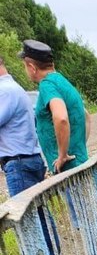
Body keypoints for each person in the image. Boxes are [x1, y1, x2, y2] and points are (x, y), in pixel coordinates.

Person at [19, 39, 90, 175]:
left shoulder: (47, 85)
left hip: (69, 171)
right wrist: (78, 148)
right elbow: (86, 116)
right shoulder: (62, 81)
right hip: (79, 163)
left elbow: (61, 117)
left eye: (25, 66)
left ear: (32, 67)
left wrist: (63, 155)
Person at [0, 55, 46, 197]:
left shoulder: (4, 91)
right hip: (27, 160)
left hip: (19, 164)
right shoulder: (14, 88)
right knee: (39, 215)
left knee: (29, 217)